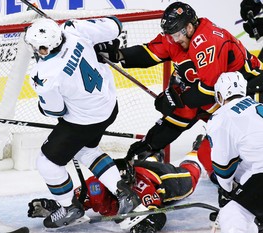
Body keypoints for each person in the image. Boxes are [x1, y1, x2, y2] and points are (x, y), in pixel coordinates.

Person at [94, 2, 263, 180]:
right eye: (171, 35)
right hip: (221, 104)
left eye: (177, 34)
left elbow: (206, 91)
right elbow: (150, 52)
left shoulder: (208, 41)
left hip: (251, 92)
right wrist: (118, 55)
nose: (174, 39)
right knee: (208, 156)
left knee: (238, 153)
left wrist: (175, 98)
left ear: (189, 27)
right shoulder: (178, 36)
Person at [24, 17, 147, 229]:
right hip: (109, 107)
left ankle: (70, 208)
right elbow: (115, 25)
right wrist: (100, 45)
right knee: (85, 150)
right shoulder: (73, 29)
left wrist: (43, 105)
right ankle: (126, 196)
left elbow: (55, 110)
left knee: (47, 163)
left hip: (83, 122)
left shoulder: (43, 75)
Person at [28, 136, 203, 233]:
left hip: (161, 179)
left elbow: (157, 215)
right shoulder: (95, 186)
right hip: (138, 167)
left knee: (190, 178)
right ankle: (154, 155)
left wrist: (149, 225)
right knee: (146, 160)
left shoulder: (141, 189)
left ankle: (197, 150)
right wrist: (52, 206)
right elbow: (73, 205)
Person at [206, 71, 262, 233]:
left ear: (219, 95)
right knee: (245, 206)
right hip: (257, 175)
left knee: (233, 213)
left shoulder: (221, 117)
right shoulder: (258, 106)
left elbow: (223, 166)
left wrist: (227, 189)